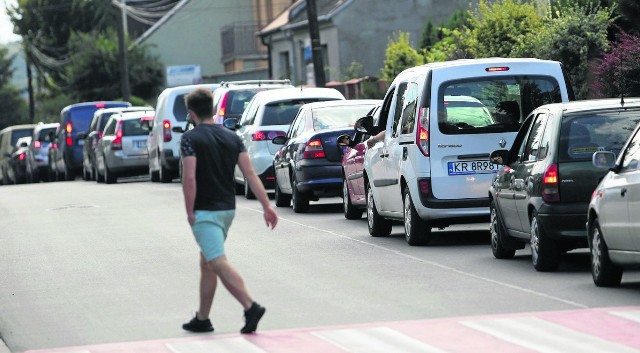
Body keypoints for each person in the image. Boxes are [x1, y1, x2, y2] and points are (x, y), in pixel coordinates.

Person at [180, 88, 278, 334]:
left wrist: (190, 211)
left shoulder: (190, 139)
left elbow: (189, 178)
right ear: (213, 109)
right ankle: (202, 318)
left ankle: (250, 306)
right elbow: (250, 174)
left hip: (205, 211)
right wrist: (267, 206)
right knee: (207, 262)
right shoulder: (232, 137)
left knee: (217, 261)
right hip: (227, 210)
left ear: (192, 113)